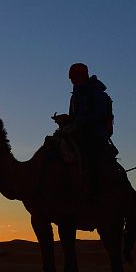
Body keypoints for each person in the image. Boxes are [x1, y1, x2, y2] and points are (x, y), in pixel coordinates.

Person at [51, 63, 114, 194]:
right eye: (71, 78)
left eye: (74, 77)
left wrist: (77, 123)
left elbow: (100, 113)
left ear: (82, 76)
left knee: (92, 159)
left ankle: (96, 192)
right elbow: (75, 117)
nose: (73, 81)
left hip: (95, 135)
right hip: (78, 133)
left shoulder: (97, 93)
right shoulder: (75, 97)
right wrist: (66, 120)